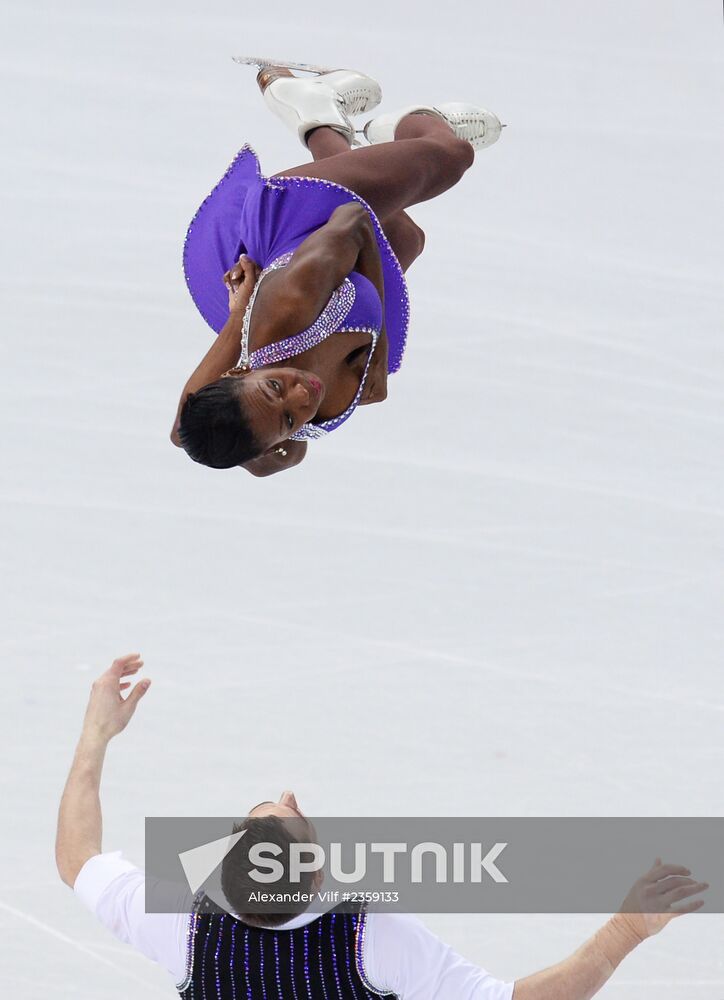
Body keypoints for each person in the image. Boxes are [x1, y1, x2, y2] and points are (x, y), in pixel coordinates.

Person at [56, 655, 709, 999]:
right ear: (315, 875)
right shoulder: (371, 938)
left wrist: (95, 736)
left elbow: (75, 858)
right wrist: (625, 930)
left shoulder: (183, 925)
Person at [171, 64, 503, 476]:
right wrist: (279, 429)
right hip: (340, 266)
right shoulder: (266, 427)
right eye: (289, 421)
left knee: (452, 158)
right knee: (405, 237)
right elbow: (187, 437)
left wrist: (377, 356)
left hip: (301, 214)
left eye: (275, 386)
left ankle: (410, 124)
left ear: (240, 370)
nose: (301, 397)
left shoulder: (292, 300)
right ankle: (316, 112)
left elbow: (355, 218)